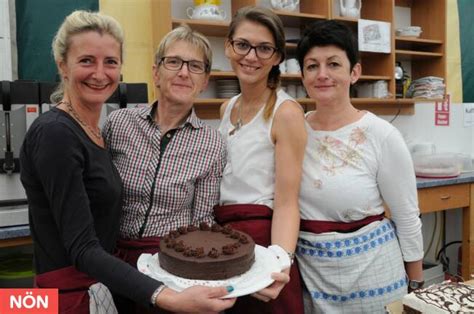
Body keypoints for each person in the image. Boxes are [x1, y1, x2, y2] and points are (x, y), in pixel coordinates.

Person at [20, 11, 235, 313]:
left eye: (110, 62)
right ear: (62, 65)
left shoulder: (94, 130)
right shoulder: (69, 130)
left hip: (125, 277)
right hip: (72, 289)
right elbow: (82, 247)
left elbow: (201, 224)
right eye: (86, 60)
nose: (99, 73)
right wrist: (168, 298)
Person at [295, 20, 424, 313]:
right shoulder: (292, 131)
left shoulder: (380, 134)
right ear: (302, 75)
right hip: (312, 276)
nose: (322, 74)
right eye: (312, 66)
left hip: (373, 273)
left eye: (334, 64)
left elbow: (406, 217)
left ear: (355, 72)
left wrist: (415, 288)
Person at [103, 25, 227, 311]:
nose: (184, 72)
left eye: (195, 66)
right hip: (111, 259)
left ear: (205, 80)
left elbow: (202, 222)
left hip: (168, 265)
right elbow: (100, 196)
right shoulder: (118, 124)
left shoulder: (212, 143)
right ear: (156, 72)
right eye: (174, 62)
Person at [214, 6, 307, 314]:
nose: (251, 56)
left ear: (278, 56)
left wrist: (279, 263)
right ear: (228, 46)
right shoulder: (227, 107)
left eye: (264, 48)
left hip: (263, 244)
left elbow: (286, 202)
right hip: (225, 241)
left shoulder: (286, 113)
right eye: (242, 44)